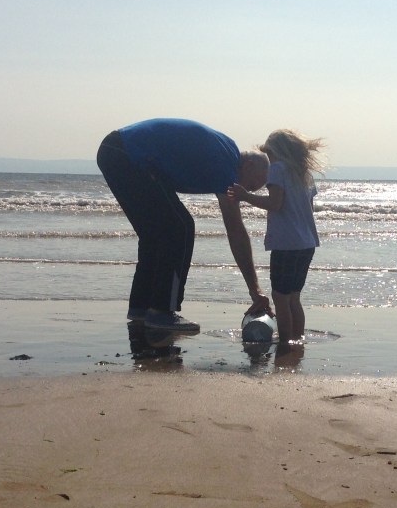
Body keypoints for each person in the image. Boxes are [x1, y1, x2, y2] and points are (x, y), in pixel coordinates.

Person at [96, 118, 273, 333]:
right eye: (252, 185)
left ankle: (141, 307)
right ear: (249, 165)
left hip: (115, 150)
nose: (248, 191)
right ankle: (162, 311)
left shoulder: (226, 152)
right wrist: (255, 290)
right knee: (180, 228)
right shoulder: (226, 163)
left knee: (156, 234)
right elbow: (235, 229)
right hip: (127, 154)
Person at [227, 129, 323, 345]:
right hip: (306, 243)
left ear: (277, 152)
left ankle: (285, 341)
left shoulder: (278, 170)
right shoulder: (304, 174)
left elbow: (275, 204)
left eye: (269, 155)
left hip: (286, 244)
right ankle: (297, 338)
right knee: (294, 298)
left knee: (280, 297)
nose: (269, 160)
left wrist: (245, 196)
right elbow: (309, 209)